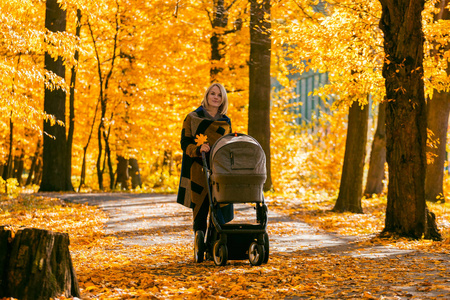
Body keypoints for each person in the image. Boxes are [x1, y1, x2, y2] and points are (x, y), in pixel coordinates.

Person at [177, 83, 233, 234]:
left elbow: (228, 144)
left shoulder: (226, 121)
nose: (216, 97)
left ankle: (216, 243)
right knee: (200, 209)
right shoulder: (192, 117)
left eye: (220, 95)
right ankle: (200, 244)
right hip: (198, 168)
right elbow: (184, 142)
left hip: (220, 170)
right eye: (213, 94)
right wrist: (197, 149)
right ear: (207, 96)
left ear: (223, 99)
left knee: (219, 207)